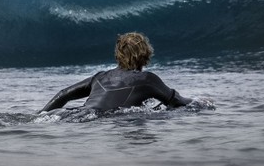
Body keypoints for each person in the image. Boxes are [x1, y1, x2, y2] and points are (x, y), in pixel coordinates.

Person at [41, 32, 191, 112]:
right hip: (105, 119)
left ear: (118, 55)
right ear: (146, 54)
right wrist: (200, 102)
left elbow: (63, 95)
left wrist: (40, 116)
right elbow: (177, 102)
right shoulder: (147, 79)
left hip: (75, 114)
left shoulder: (100, 76)